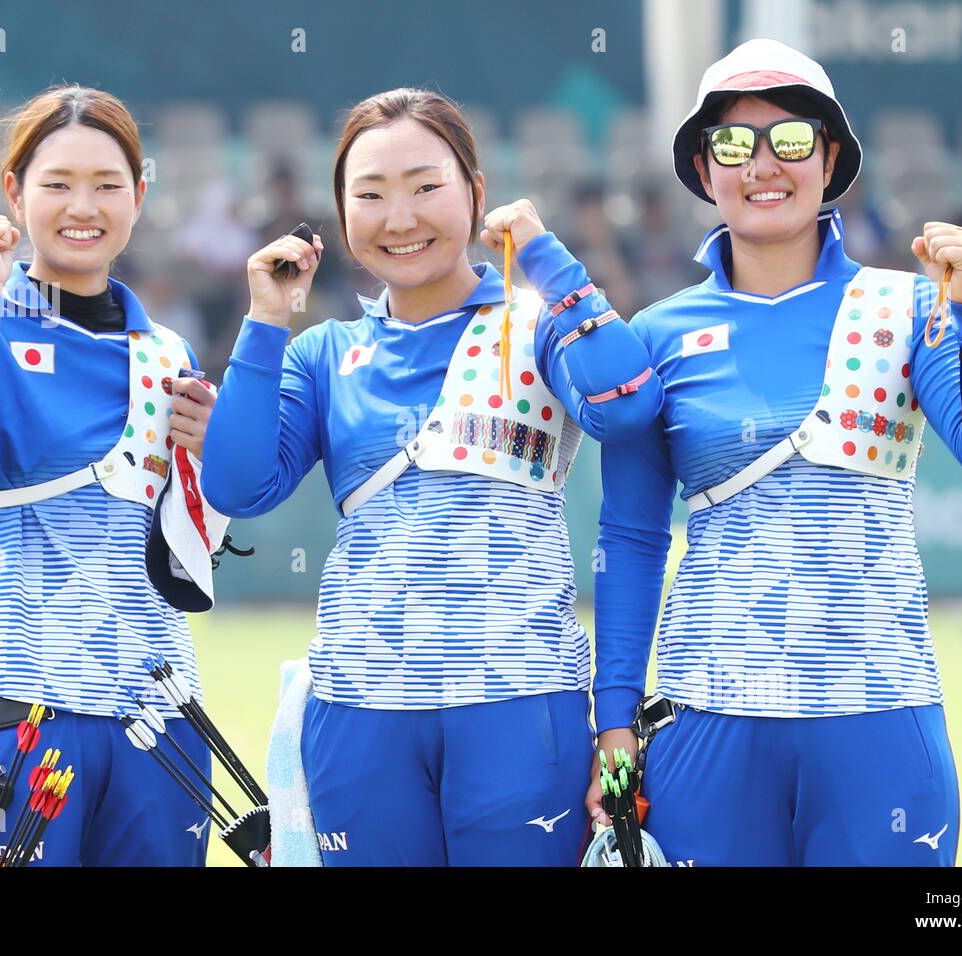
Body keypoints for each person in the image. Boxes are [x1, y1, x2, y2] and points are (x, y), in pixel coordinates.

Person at [589, 39, 962, 866]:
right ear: (703, 166)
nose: (763, 164)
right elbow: (631, 538)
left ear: (830, 156)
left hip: (878, 712)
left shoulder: (908, 304)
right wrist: (614, 716)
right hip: (709, 720)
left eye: (792, 139)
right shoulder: (654, 333)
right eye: (733, 143)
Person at [201, 87, 661, 866]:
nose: (400, 217)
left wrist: (548, 260)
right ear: (342, 215)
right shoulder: (323, 352)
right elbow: (238, 486)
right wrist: (266, 319)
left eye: (424, 187)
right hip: (359, 715)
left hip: (518, 707)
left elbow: (628, 405)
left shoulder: (538, 325)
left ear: (476, 193)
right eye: (370, 195)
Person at [0, 84, 226, 866]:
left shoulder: (170, 353)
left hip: (162, 720)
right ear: (14, 193)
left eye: (108, 185)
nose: (84, 206)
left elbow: (190, 552)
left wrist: (208, 462)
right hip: (16, 711)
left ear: (140, 196)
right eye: (57, 184)